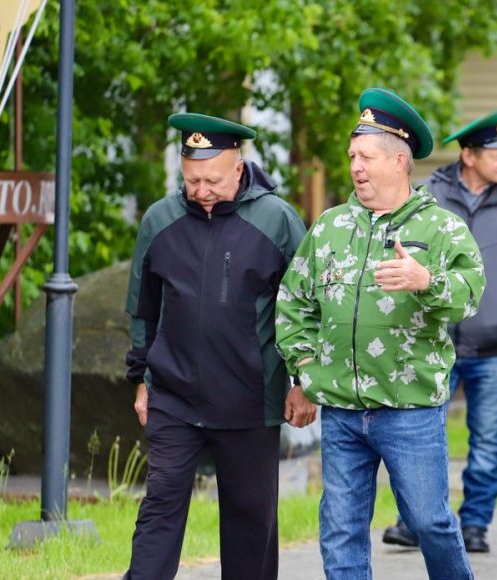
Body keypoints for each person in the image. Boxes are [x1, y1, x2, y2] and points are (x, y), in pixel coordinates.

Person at [275, 88, 485, 579]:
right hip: (342, 411)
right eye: (352, 157)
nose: (356, 167)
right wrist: (304, 369)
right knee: (340, 529)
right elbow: (293, 303)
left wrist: (426, 280)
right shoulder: (329, 227)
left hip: (409, 409)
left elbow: (470, 295)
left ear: (399, 161)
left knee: (430, 522)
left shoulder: (442, 229)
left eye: (366, 157)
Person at [123, 113, 313, 580]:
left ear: (238, 168)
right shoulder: (160, 220)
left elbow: (308, 308)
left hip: (251, 400)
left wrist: (303, 382)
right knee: (160, 506)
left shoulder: (277, 220)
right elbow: (143, 308)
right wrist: (141, 378)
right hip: (174, 396)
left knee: (251, 522)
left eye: (212, 180)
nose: (202, 190)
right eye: (192, 180)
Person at [381, 109, 497, 553]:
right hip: (432, 341)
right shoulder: (428, 196)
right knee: (420, 438)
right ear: (469, 156)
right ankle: (415, 521)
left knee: (489, 442)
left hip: (496, 345)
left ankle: (475, 524)